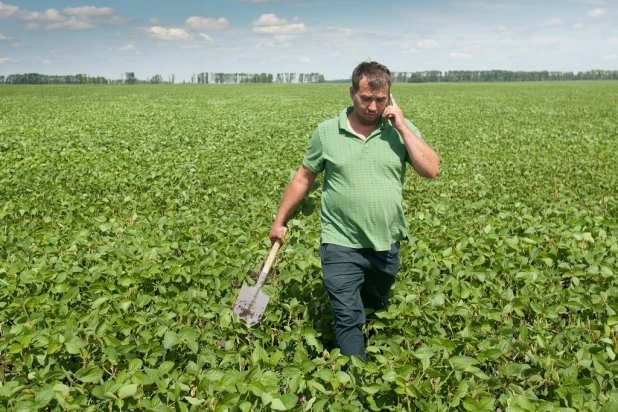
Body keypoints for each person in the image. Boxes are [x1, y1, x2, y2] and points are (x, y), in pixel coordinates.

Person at [269, 61, 440, 361]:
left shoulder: (399, 130)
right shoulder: (327, 132)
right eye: (365, 99)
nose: (373, 107)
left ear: (389, 97)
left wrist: (401, 125)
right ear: (351, 93)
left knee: (374, 309)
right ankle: (356, 389)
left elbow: (431, 169)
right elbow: (303, 177)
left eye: (380, 99)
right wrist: (279, 221)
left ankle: (374, 368)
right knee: (348, 318)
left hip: (385, 243)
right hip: (340, 242)